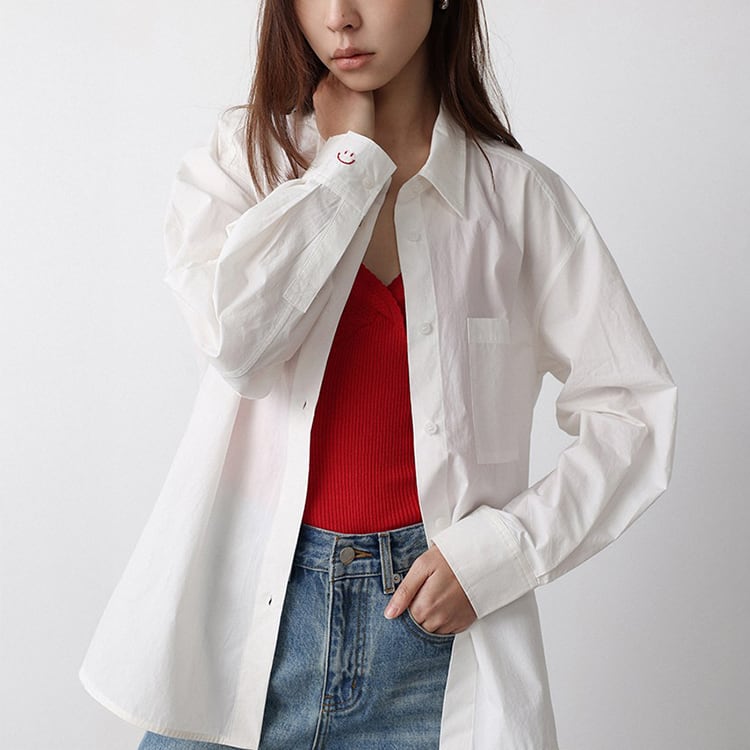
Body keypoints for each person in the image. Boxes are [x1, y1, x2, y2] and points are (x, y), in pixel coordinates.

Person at [78, 0, 678, 748]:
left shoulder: (518, 201)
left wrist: (499, 555)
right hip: (249, 629)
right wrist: (346, 165)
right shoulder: (247, 163)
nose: (340, 17)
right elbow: (237, 346)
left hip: (433, 641)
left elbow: (633, 411)